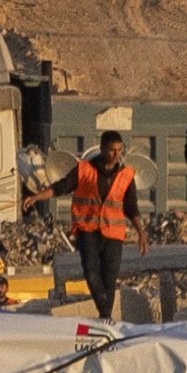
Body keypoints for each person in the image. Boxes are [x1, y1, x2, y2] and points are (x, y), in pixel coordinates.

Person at [66, 130, 145, 318]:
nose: (116, 154)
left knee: (109, 279)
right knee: (92, 273)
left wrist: (142, 233)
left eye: (120, 150)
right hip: (88, 231)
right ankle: (104, 312)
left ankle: (105, 318)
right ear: (102, 150)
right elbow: (62, 186)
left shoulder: (125, 175)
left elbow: (131, 208)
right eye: (112, 150)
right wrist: (37, 196)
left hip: (113, 234)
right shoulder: (86, 170)